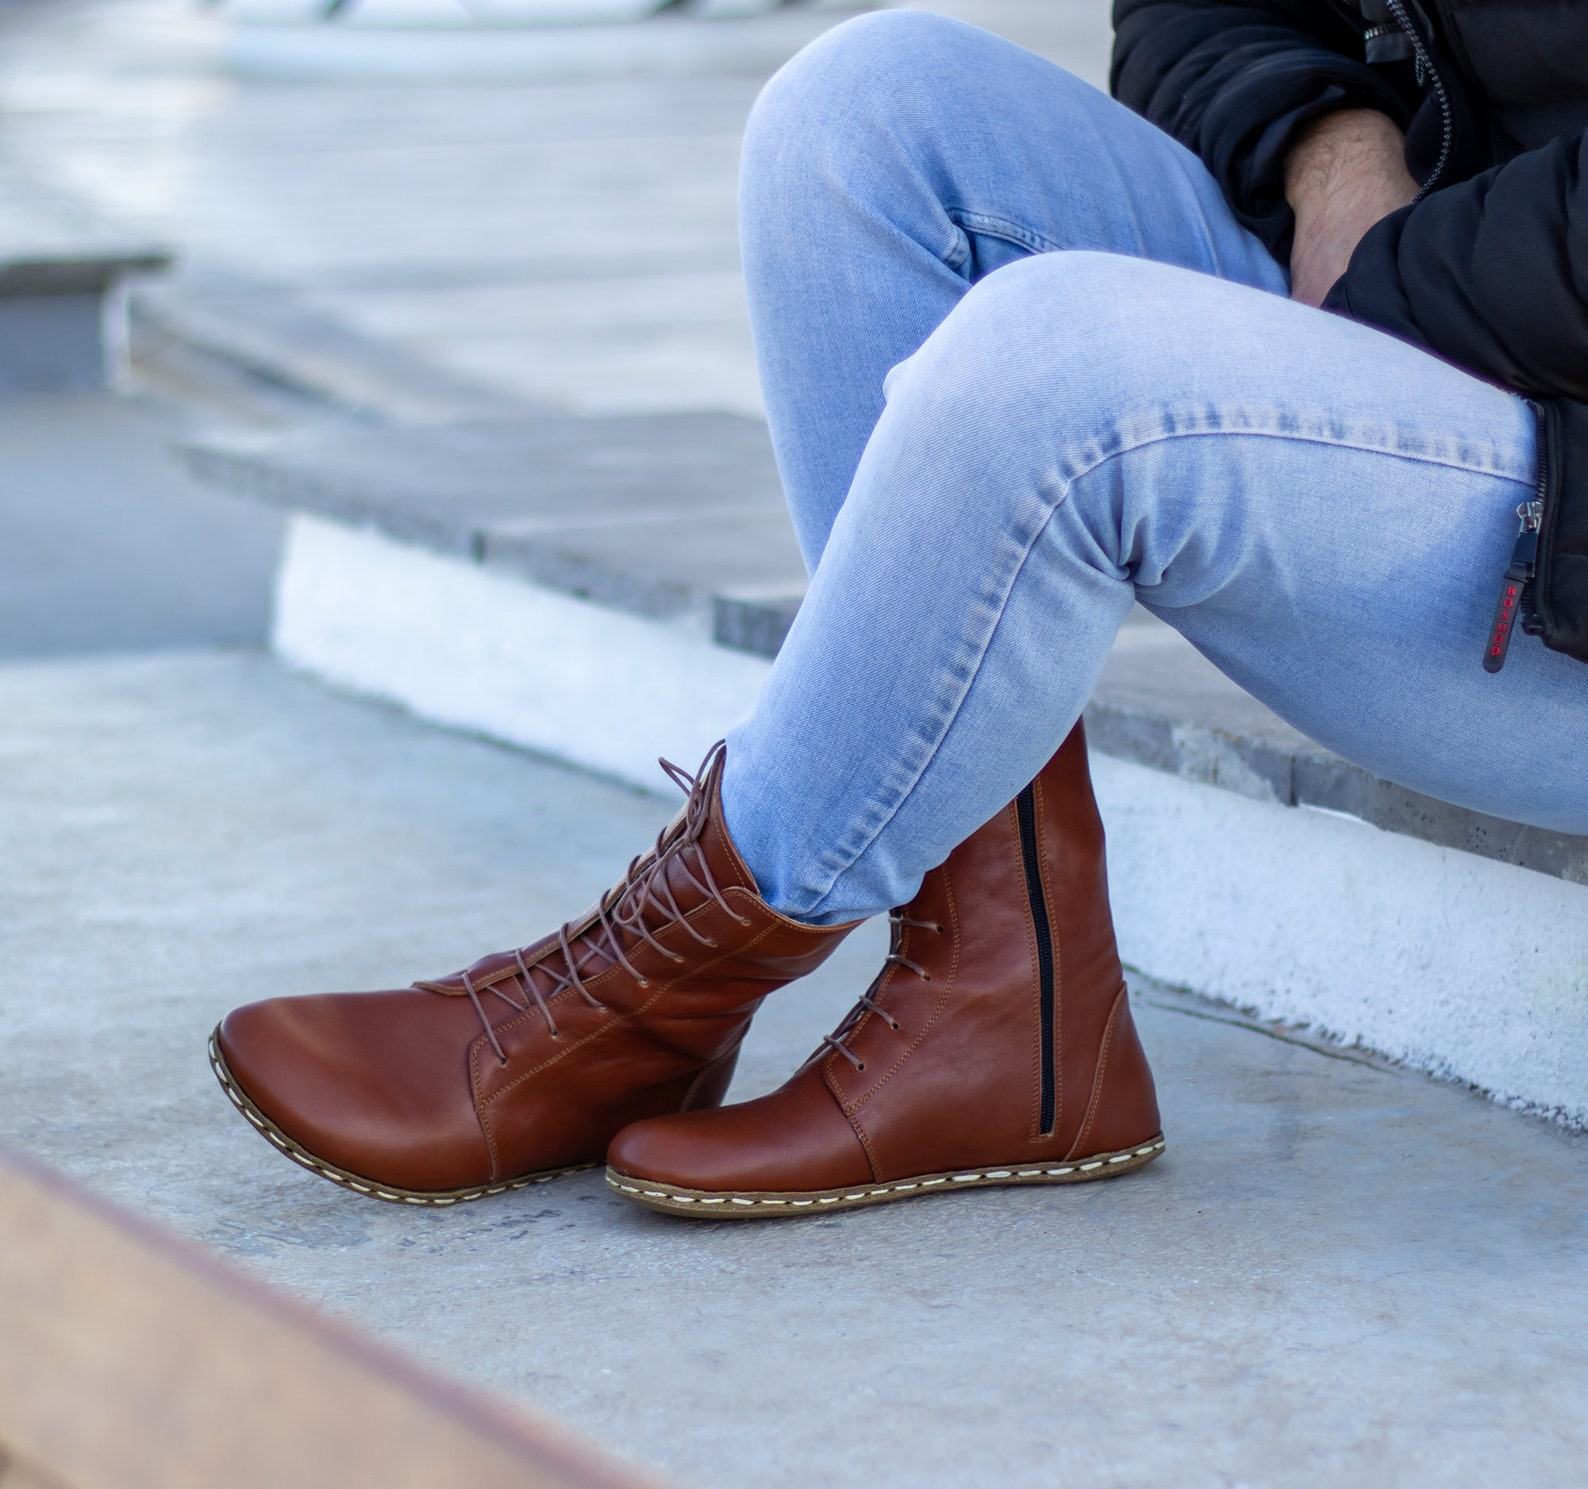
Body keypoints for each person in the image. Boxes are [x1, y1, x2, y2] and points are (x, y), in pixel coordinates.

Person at [211, 1, 1588, 1218]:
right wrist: (1337, 156)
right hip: (1435, 306)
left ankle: (646, 983)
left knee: (1054, 364)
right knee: (862, 111)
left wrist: (1382, 285)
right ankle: (1002, 1004)